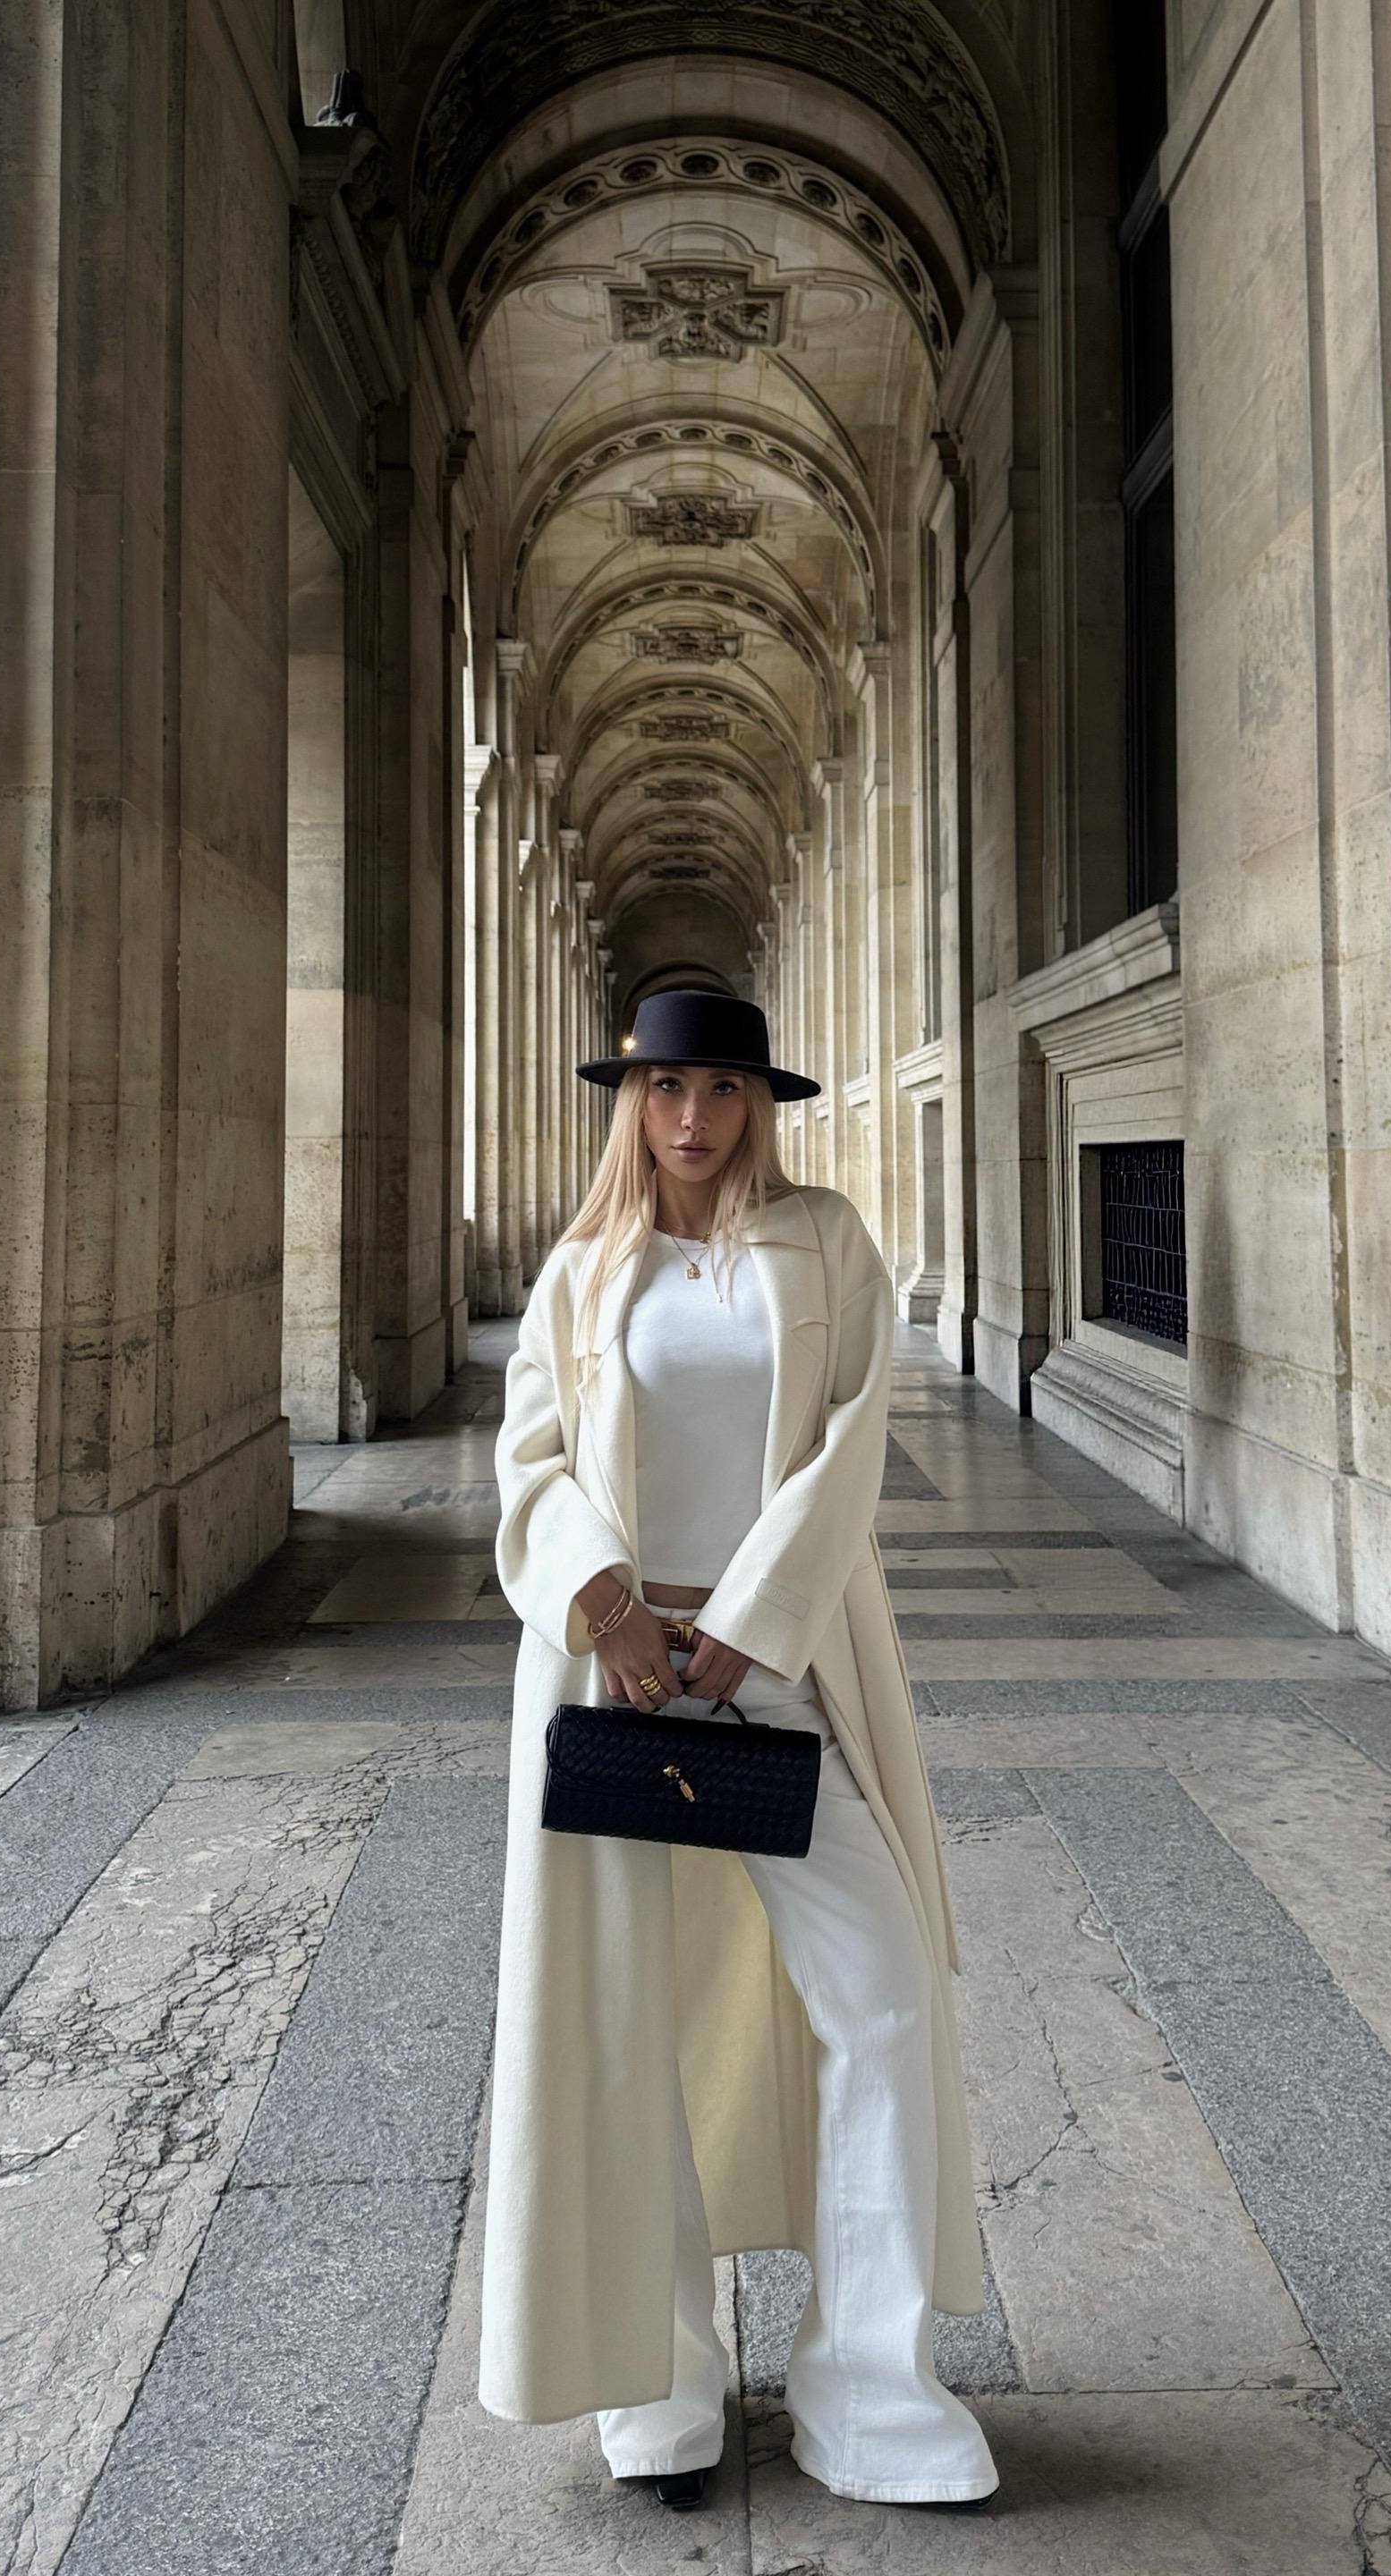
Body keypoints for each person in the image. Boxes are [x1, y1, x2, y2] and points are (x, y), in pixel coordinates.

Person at [481, 986, 999, 2514]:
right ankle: (658, 2387)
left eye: (720, 1088)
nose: (693, 1117)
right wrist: (607, 1607)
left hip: (779, 1665)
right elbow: (530, 1462)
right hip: (617, 1681)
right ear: (630, 1103)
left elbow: (849, 1446)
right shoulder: (584, 1267)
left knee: (883, 1991)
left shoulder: (828, 1243)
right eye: (665, 1089)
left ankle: (872, 2391)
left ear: (758, 1102)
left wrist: (756, 1625)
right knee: (620, 2017)